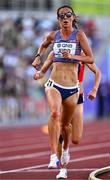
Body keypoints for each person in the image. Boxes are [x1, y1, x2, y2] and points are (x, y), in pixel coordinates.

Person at [32, 4, 94, 177]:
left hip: (72, 88)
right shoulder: (53, 36)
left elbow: (90, 58)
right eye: (61, 16)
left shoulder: (79, 36)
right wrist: (38, 57)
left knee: (67, 128)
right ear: (58, 20)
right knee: (54, 114)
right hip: (54, 84)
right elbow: (44, 47)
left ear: (73, 18)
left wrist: (72, 56)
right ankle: (53, 156)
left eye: (68, 15)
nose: (65, 18)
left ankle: (65, 154)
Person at [34, 51, 101, 179]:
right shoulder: (55, 52)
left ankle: (66, 148)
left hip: (77, 96)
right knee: (58, 121)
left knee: (76, 139)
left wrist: (94, 90)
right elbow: (45, 68)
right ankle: (62, 168)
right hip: (58, 90)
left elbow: (97, 72)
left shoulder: (81, 55)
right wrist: (39, 73)